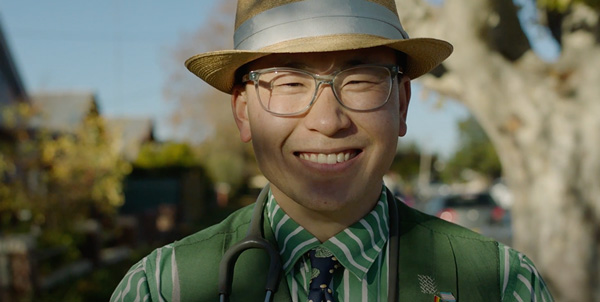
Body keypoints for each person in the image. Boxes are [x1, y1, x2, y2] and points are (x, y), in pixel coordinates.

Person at [111, 0, 553, 301]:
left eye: (360, 80)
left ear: (401, 103)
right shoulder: (160, 288)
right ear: (243, 112)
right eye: (288, 82)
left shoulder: (503, 284)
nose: (328, 120)